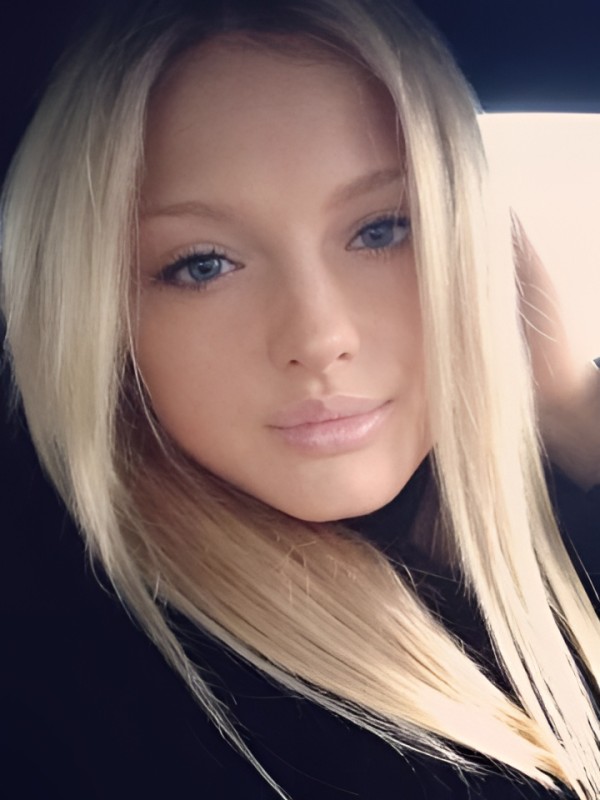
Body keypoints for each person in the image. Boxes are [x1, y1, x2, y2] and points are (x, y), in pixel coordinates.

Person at [1, 0, 599, 798]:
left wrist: (572, 409)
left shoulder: (528, 521)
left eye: (383, 229)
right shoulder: (83, 682)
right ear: (93, 317)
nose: (319, 337)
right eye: (203, 264)